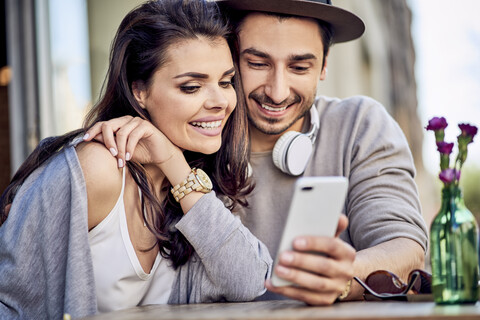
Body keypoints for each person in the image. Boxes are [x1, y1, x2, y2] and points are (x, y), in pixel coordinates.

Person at [78, 0, 428, 305]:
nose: (277, 92)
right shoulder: (192, 137)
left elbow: (405, 246)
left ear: (324, 66)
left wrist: (345, 276)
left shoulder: (358, 124)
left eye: (300, 67)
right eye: (258, 63)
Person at [0, 0, 272, 318]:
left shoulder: (193, 177)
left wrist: (173, 163)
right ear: (139, 90)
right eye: (192, 87)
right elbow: (10, 301)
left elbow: (250, 281)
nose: (220, 102)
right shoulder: (99, 168)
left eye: (226, 82)